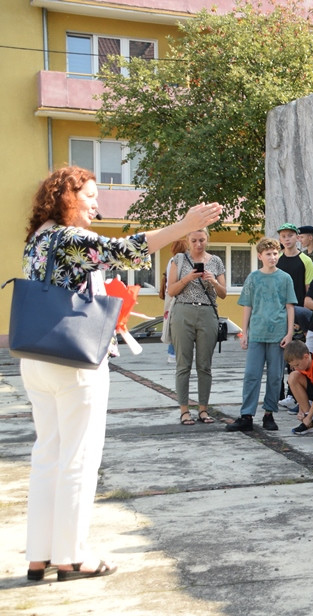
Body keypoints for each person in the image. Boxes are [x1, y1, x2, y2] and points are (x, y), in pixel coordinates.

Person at [22, 165, 221, 582]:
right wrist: (184, 226)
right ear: (66, 197)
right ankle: (72, 555)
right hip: (74, 360)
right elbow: (127, 250)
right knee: (78, 457)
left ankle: (40, 553)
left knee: (48, 455)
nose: (97, 203)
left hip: (36, 356)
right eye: (90, 196)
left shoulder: (38, 238)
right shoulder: (69, 237)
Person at [226, 238, 296, 433]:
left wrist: (289, 332)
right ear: (260, 256)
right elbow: (248, 305)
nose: (272, 257)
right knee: (251, 375)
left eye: (275, 253)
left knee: (275, 376)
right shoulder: (253, 278)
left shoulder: (285, 278)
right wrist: (244, 331)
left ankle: (269, 413)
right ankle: (246, 415)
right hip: (257, 332)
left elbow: (290, 307)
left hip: (278, 333)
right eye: (268, 254)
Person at [165, 227, 227, 426]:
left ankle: (203, 409)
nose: (198, 244)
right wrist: (188, 278)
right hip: (183, 312)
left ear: (207, 239)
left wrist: (213, 281)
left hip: (207, 312)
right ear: (187, 239)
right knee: (183, 364)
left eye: (202, 240)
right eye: (194, 240)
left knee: (204, 365)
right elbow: (171, 290)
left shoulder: (216, 261)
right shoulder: (179, 260)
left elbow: (224, 293)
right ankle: (184, 410)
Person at [159, 239, 187, 364]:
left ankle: (172, 353)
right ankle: (173, 354)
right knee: (176, 326)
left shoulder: (171, 261)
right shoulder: (178, 261)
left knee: (172, 324)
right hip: (176, 296)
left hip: (170, 296)